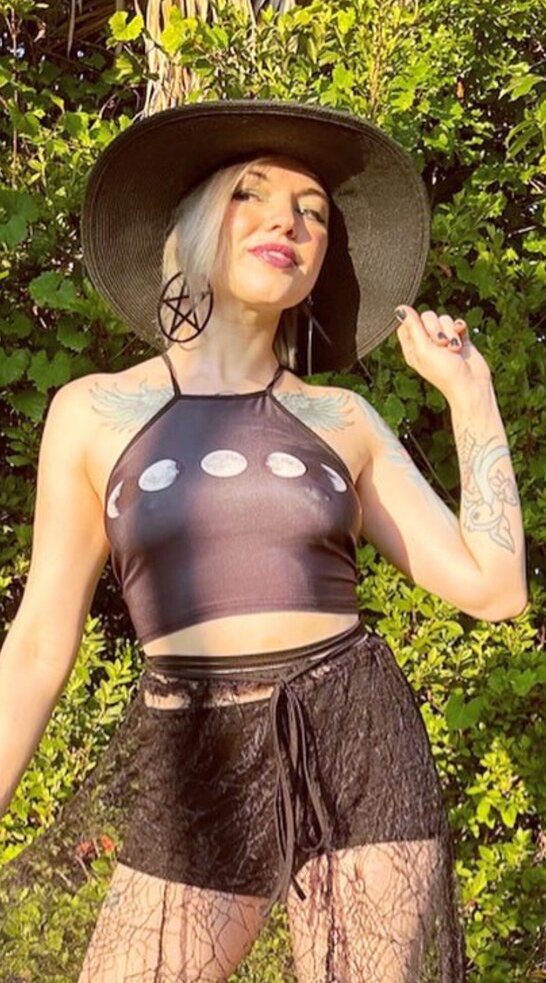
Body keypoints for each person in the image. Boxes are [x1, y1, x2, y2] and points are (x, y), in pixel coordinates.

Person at [0, 100, 527, 982]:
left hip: (355, 746)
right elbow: (38, 645)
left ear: (319, 266)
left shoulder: (341, 419)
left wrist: (470, 395)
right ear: (197, 225)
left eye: (313, 212)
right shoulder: (92, 411)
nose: (288, 221)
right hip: (194, 755)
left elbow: (494, 587)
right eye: (251, 193)